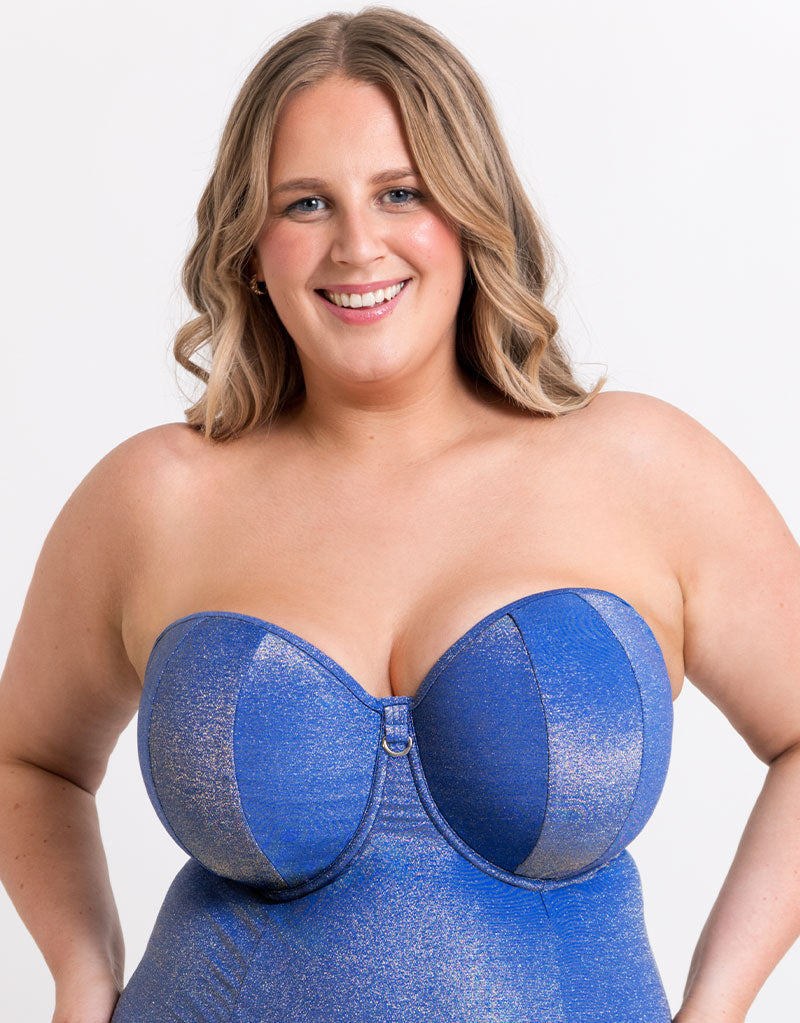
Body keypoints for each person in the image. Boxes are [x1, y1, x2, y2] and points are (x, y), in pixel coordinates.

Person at [1, 6, 799, 1022]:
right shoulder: (154, 495)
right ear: (250, 246)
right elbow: (27, 758)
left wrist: (717, 1006)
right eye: (305, 203)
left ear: (471, 213)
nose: (356, 245)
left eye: (400, 192)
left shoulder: (643, 467)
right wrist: (80, 977)